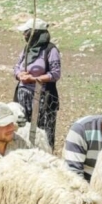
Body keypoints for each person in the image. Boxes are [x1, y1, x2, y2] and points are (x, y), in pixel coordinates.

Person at [13, 18, 61, 150]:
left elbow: (55, 74)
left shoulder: (50, 50)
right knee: (24, 127)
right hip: (23, 95)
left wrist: (35, 79)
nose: (24, 35)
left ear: (35, 34)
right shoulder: (27, 49)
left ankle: (46, 155)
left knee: (43, 130)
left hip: (43, 97)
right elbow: (17, 67)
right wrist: (20, 75)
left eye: (27, 32)